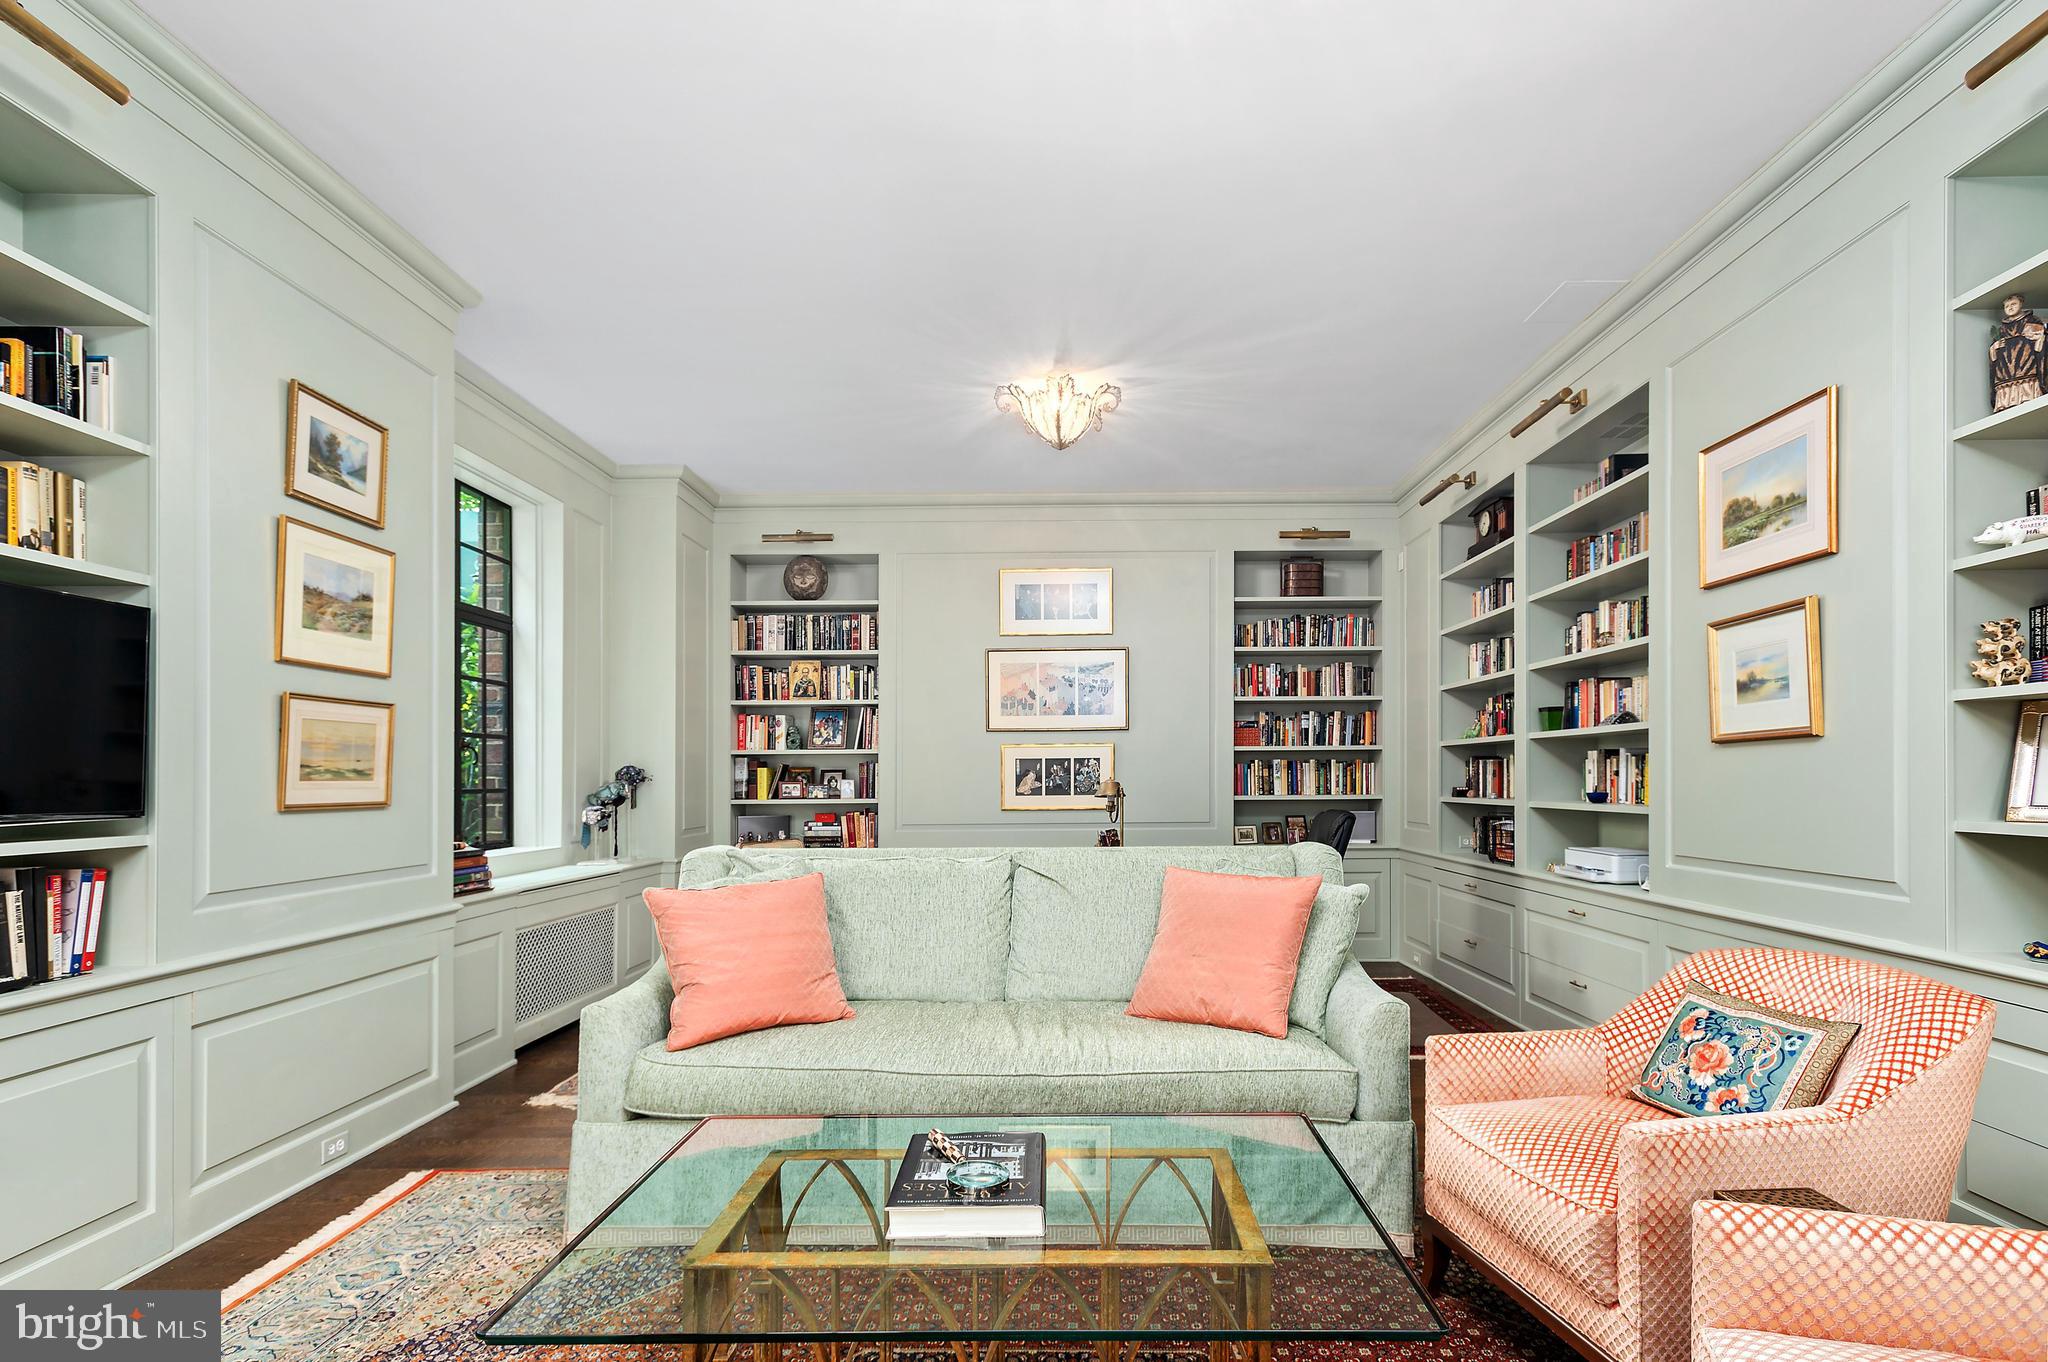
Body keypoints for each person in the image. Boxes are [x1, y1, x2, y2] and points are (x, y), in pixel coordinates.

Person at [1991, 291, 2047, 411]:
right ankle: (2008, 401)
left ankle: (2027, 395)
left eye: (2013, 304)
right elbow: (1994, 348)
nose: (2010, 308)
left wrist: (2039, 336)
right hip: (2006, 366)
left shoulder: (2032, 320)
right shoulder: (2002, 329)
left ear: (2021, 304)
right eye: (2007, 306)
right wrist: (1995, 346)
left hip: (2026, 360)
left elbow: (2041, 334)